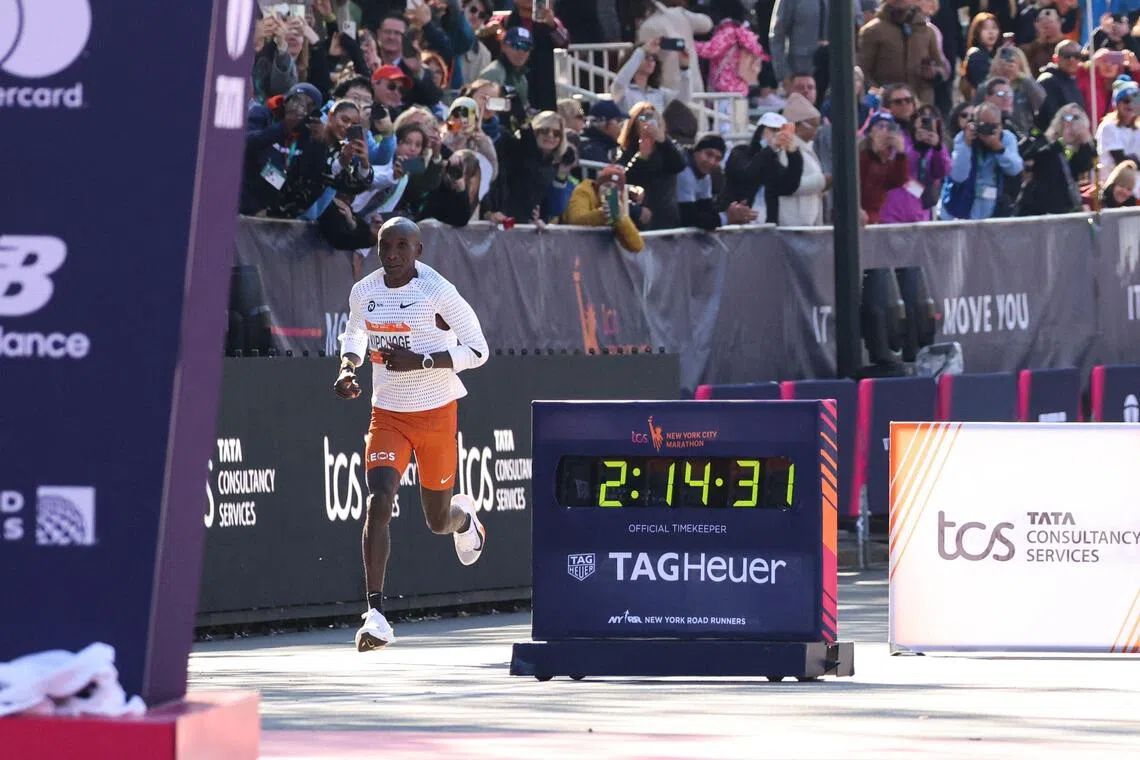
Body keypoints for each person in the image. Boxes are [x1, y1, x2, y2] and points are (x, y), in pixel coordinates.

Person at [334, 217, 490, 651]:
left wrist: (421, 361)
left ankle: (465, 519)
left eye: (402, 246)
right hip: (387, 415)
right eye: (385, 246)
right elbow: (355, 332)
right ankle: (376, 615)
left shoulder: (437, 291)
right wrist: (347, 367)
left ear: (418, 251)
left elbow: (479, 350)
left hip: (436, 412)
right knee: (378, 500)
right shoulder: (364, 291)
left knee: (437, 521)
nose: (392, 255)